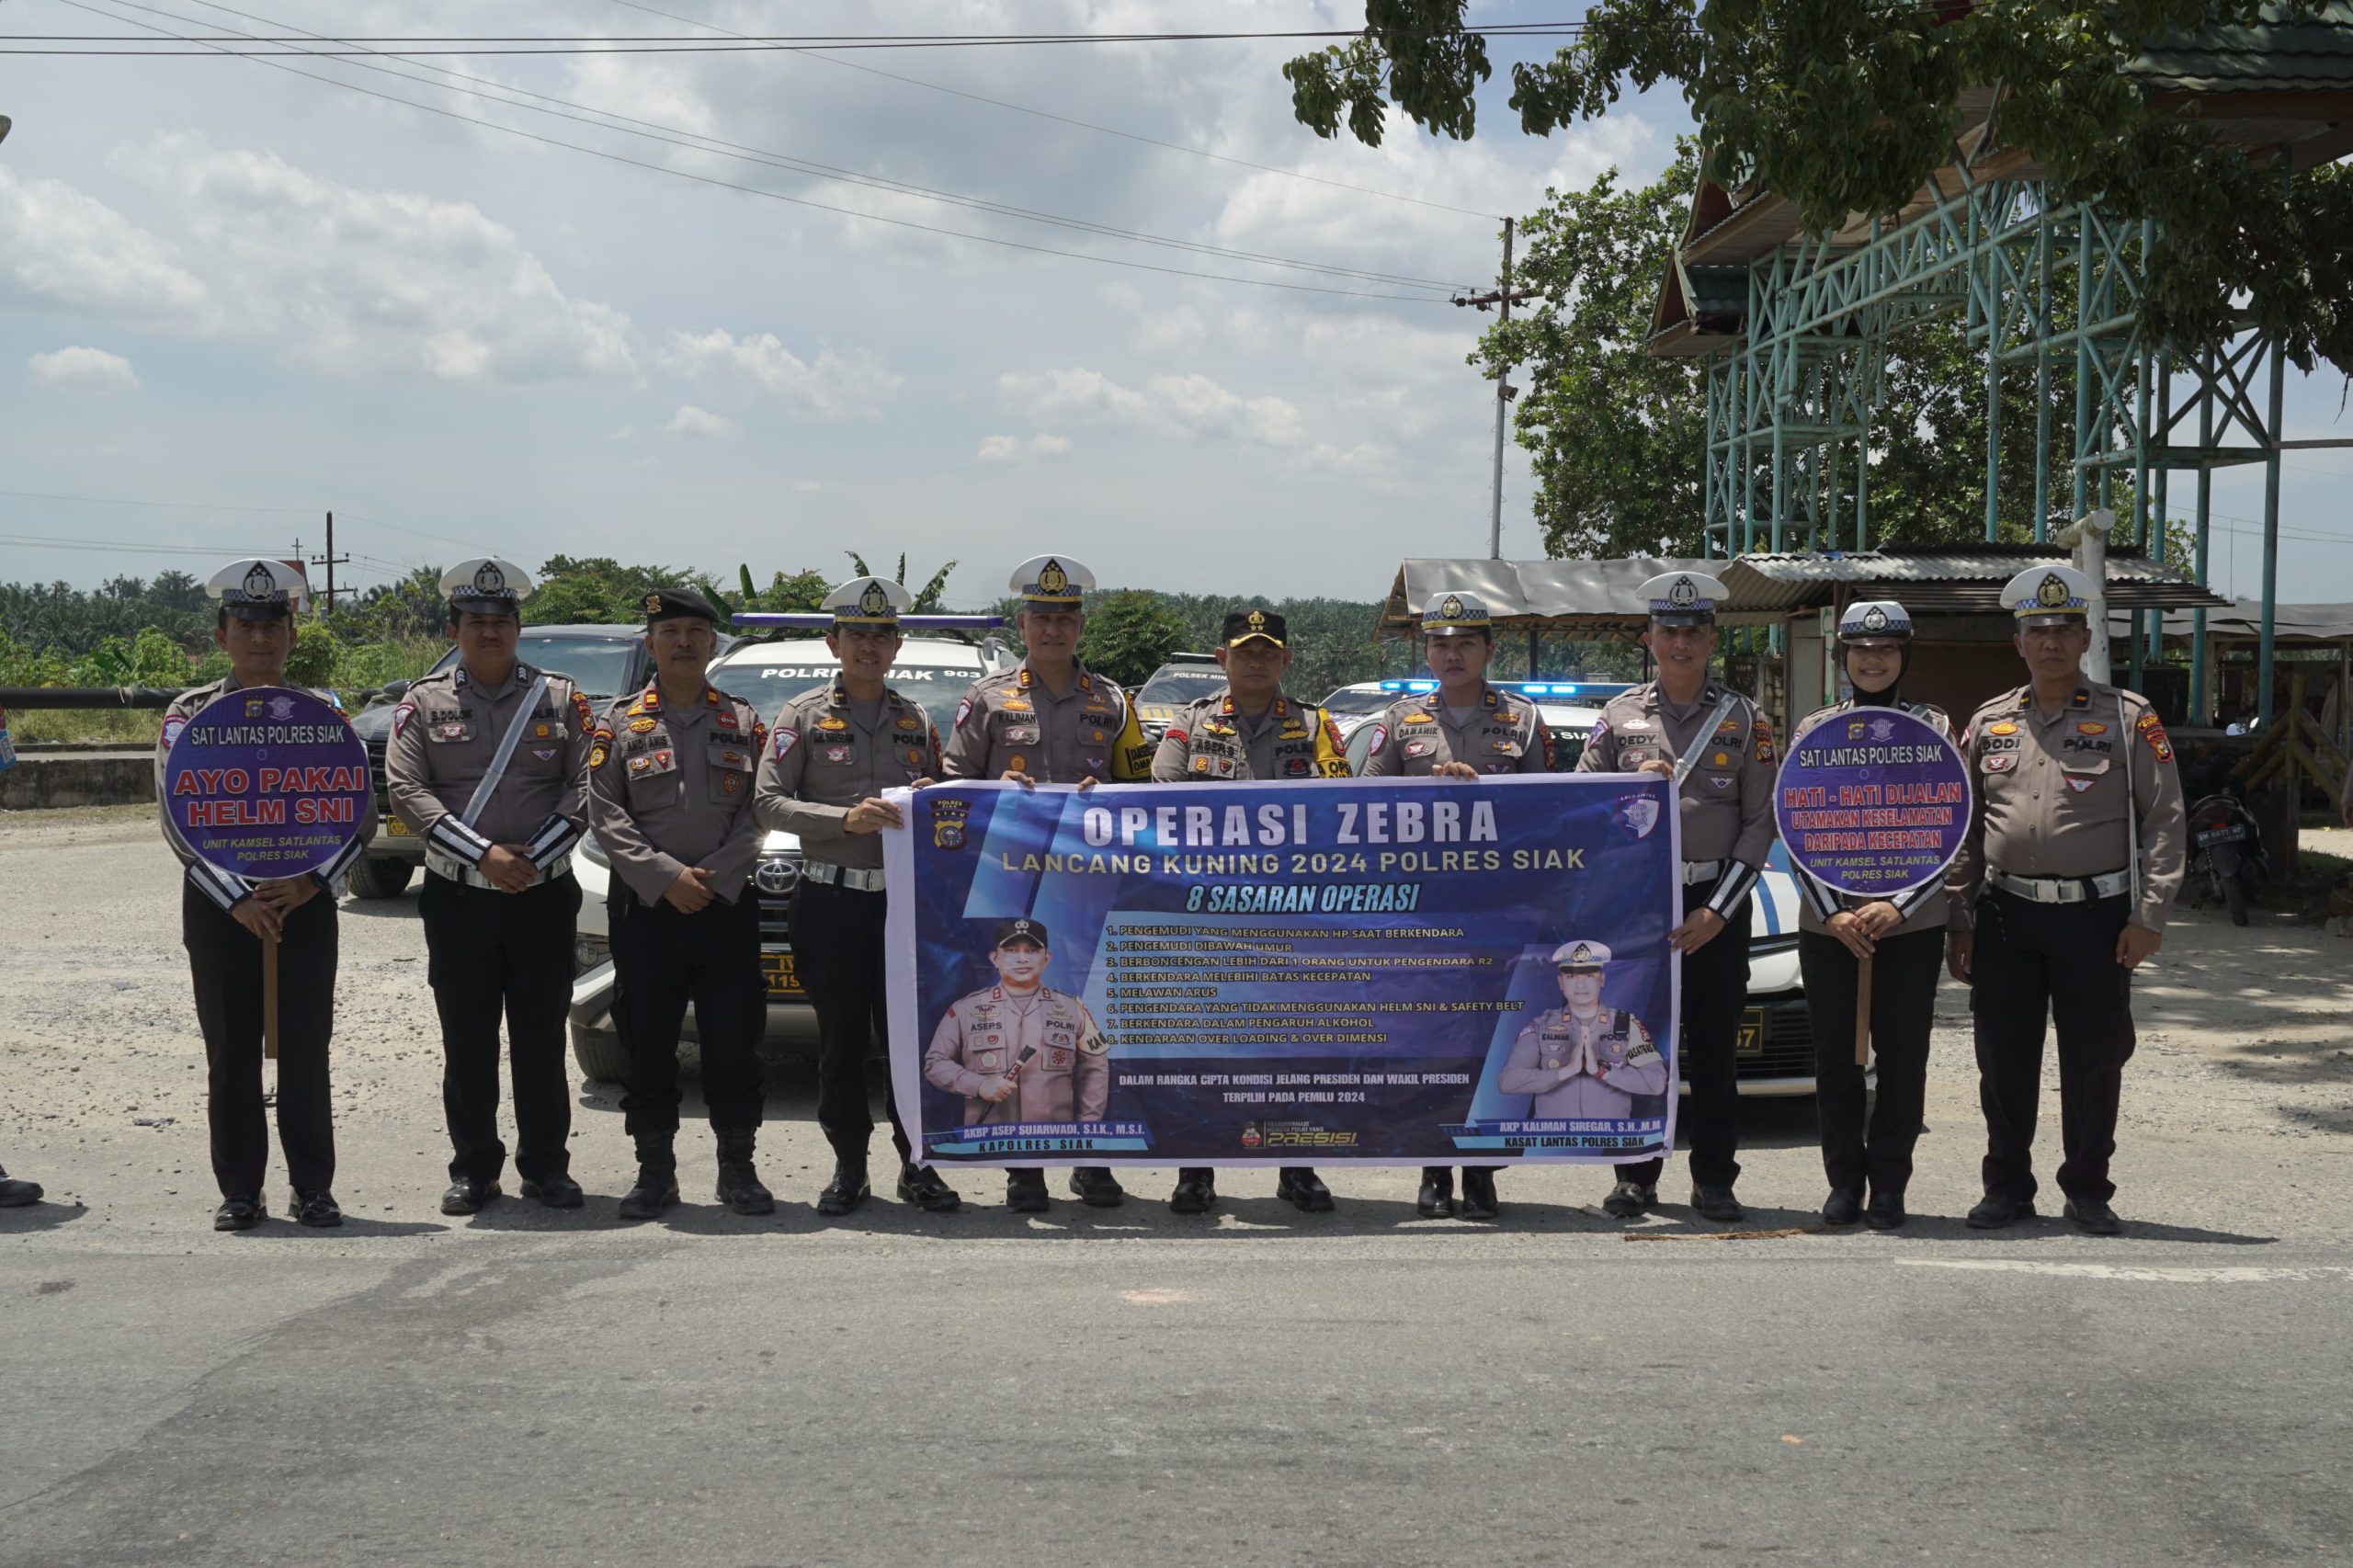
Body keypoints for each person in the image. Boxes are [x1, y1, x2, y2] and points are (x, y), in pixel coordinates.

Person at [1946, 565, 2187, 1234]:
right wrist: (1959, 919)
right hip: (2005, 917)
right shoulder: (1989, 722)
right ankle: (2007, 1187)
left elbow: (2164, 818)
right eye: (2036, 630)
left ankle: (2087, 1188)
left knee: (2094, 1060)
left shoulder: (2128, 717)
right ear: (2018, 641)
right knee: (2003, 1061)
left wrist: (2150, 916)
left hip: (2096, 918)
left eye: (2063, 630)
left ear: (2085, 638)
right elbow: (1965, 828)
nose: (2050, 642)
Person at [156, 558, 376, 1231]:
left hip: (304, 901)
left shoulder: (325, 714)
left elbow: (358, 813)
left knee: (307, 1047)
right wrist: (239, 900)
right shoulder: (188, 714)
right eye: (246, 625)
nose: (260, 638)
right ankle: (239, 1190)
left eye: (273, 624)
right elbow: (176, 817)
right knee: (231, 1050)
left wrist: (312, 882)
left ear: (292, 635)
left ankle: (313, 1187)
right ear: (222, 635)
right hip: (222, 905)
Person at [386, 557, 597, 1216]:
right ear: (454, 628)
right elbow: (407, 790)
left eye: (500, 621)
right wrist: (485, 858)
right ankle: (474, 1169)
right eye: (475, 621)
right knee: (468, 1041)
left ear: (517, 628)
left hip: (542, 893)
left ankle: (546, 1168)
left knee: (540, 1039)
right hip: (459, 900)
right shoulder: (422, 702)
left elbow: (588, 782)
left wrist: (531, 858)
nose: (489, 632)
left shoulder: (561, 698)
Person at [940, 553, 1151, 1211]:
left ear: (1080, 624)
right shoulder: (987, 698)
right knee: (1014, 1025)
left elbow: (1146, 790)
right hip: (1009, 888)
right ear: (1022, 624)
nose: (1052, 630)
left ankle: (1092, 1159)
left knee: (1091, 1027)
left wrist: (1110, 794)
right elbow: (946, 786)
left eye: (1064, 619)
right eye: (1040, 619)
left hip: (1090, 892)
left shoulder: (1115, 700)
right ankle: (1023, 1162)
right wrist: (989, 788)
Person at [753, 577, 962, 1219]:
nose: (868, 646)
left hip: (901, 910)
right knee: (842, 1042)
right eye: (856, 635)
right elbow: (766, 801)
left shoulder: (916, 720)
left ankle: (917, 1166)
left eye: (880, 635)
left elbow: (948, 802)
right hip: (829, 902)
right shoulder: (802, 716)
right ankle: (849, 1168)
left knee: (909, 1041)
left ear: (896, 645)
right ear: (833, 642)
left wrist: (936, 794)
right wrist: (842, 820)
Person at [1573, 571, 1776, 1224]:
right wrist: (1630, 784)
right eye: (1669, 632)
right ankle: (1634, 1175)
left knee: (1715, 1049)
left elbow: (1761, 822)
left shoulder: (1745, 718)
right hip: (1638, 905)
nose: (1681, 643)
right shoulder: (1618, 717)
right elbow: (1578, 805)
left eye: (1693, 632)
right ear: (1648, 638)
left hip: (1715, 901)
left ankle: (1715, 1178)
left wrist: (1718, 911)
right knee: (1634, 1043)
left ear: (1711, 638)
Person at [1358, 589, 1554, 1221]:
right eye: (1440, 643)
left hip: (1499, 913)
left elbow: (1552, 815)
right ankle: (1433, 1167)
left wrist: (1490, 798)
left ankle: (1483, 1171)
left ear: (1488, 651)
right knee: (1431, 1040)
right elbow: (1362, 808)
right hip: (1424, 913)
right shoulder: (1400, 722)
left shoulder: (1522, 722)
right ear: (1428, 651)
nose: (1452, 654)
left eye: (1465, 643)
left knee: (1491, 1038)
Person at [1150, 608, 1352, 1214]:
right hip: (1210, 915)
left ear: (1287, 660)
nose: (1257, 661)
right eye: (1245, 651)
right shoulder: (1191, 722)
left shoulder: (1316, 726)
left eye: (1268, 652)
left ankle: (1297, 1166)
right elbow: (1159, 799)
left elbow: (1346, 807)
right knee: (1204, 1046)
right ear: (1222, 659)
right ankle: (1195, 1169)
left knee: (1294, 1046)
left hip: (1292, 916)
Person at [586, 586, 772, 1221]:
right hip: (648, 910)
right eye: (671, 634)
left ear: (713, 644)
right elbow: (604, 813)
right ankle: (653, 1172)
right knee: (648, 1041)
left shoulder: (744, 722)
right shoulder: (617, 723)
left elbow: (761, 811)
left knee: (732, 1040)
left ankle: (738, 1169)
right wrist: (665, 877)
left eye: (696, 632)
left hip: (725, 906)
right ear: (651, 645)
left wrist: (715, 875)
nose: (684, 643)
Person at [1787, 599, 1952, 1230]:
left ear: (1903, 656)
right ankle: (1842, 1183)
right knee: (1837, 1058)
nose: (1873, 660)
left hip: (1909, 923)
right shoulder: (1814, 730)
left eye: (1886, 650)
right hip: (1829, 925)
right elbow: (1795, 823)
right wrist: (1835, 913)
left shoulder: (1935, 726)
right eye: (1861, 650)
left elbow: (1951, 821)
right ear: (1844, 658)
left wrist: (1896, 904)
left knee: (1904, 1056)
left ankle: (1889, 1185)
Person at [923, 918, 1111, 1137]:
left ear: (1046, 958)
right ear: (995, 958)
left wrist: (1088, 1126)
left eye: (1032, 950)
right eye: (1011, 950)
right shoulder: (965, 1009)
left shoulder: (1072, 1008)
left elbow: (1095, 1067)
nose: (1022, 959)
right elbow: (935, 1063)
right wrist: (978, 1084)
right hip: (990, 1139)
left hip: (1055, 1137)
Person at [1496, 940, 1667, 1128]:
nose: (1580, 984)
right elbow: (1508, 1082)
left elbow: (1657, 1082)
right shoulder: (1541, 1026)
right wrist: (1565, 1072)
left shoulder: (1626, 1024)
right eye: (1571, 976)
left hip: (1610, 1142)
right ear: (1560, 982)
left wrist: (1603, 1072)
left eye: (1589, 975)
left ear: (1602, 979)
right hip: (1553, 1144)